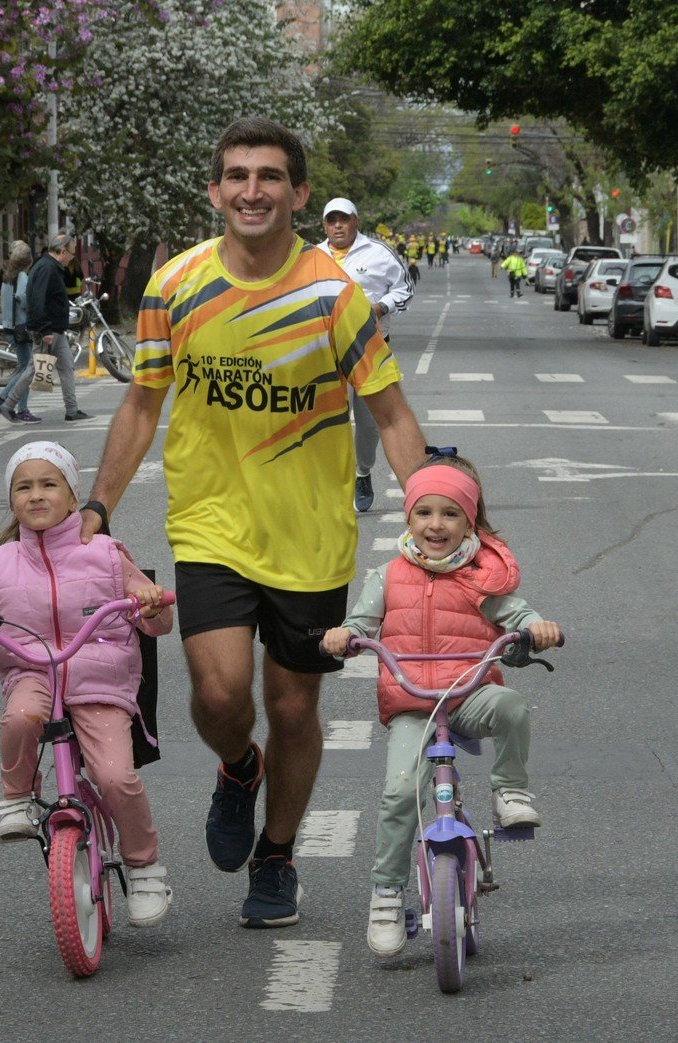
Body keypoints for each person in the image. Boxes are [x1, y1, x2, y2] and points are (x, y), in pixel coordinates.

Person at [78, 116, 429, 929]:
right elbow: (140, 402)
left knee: (297, 709)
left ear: (298, 193)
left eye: (269, 176)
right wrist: (97, 505)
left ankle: (275, 853)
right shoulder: (174, 284)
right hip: (211, 526)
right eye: (236, 175)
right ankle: (238, 765)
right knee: (219, 688)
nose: (251, 190)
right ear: (214, 190)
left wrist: (436, 514)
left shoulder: (334, 295)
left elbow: (391, 411)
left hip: (310, 536)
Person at [320, 452, 562, 957]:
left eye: (451, 513)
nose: (437, 524)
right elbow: (363, 624)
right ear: (408, 518)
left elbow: (516, 618)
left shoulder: (483, 577)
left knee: (511, 706)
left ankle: (510, 792)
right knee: (399, 792)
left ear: (470, 521)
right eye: (424, 512)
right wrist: (345, 634)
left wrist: (534, 630)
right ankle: (387, 892)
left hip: (469, 693)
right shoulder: (387, 577)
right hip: (413, 702)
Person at [0, 441, 176, 927]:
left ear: (72, 495)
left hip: (99, 678)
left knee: (115, 776)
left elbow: (154, 622)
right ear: (10, 500)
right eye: (24, 487)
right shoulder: (0, 564)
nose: (36, 495)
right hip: (32, 671)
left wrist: (152, 604)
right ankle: (17, 798)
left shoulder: (104, 553)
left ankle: (145, 866)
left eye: (49, 484)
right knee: (19, 717)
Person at [317, 197, 413, 514]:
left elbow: (404, 289)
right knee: (327, 421)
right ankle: (331, 483)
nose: (338, 226)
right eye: (332, 221)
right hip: (324, 352)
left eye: (343, 219)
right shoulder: (312, 257)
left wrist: (381, 306)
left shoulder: (379, 253)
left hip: (369, 347)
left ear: (356, 221)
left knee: (369, 423)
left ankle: (362, 472)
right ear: (325, 225)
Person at [8, 233, 91, 423]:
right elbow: (37, 301)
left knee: (66, 367)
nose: (72, 258)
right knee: (34, 371)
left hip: (55, 330)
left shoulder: (50, 267)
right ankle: (7, 405)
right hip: (49, 330)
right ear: (62, 252)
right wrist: (45, 330)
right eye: (71, 253)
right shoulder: (47, 268)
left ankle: (72, 410)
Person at [0, 240, 43, 425]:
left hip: (9, 326)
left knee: (24, 367)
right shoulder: (21, 277)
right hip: (21, 327)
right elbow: (23, 297)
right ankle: (5, 400)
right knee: (27, 369)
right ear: (28, 261)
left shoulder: (7, 277)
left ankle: (19, 407)